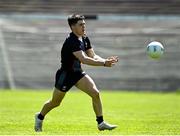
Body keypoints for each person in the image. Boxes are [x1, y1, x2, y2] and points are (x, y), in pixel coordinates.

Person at [34, 14, 119, 132]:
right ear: (73, 27)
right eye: (81, 25)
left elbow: (92, 55)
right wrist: (104, 64)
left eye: (84, 24)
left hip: (78, 73)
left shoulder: (84, 38)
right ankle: (39, 117)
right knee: (55, 102)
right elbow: (84, 59)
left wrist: (105, 60)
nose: (84, 26)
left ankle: (101, 123)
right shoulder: (71, 41)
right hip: (65, 75)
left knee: (95, 93)